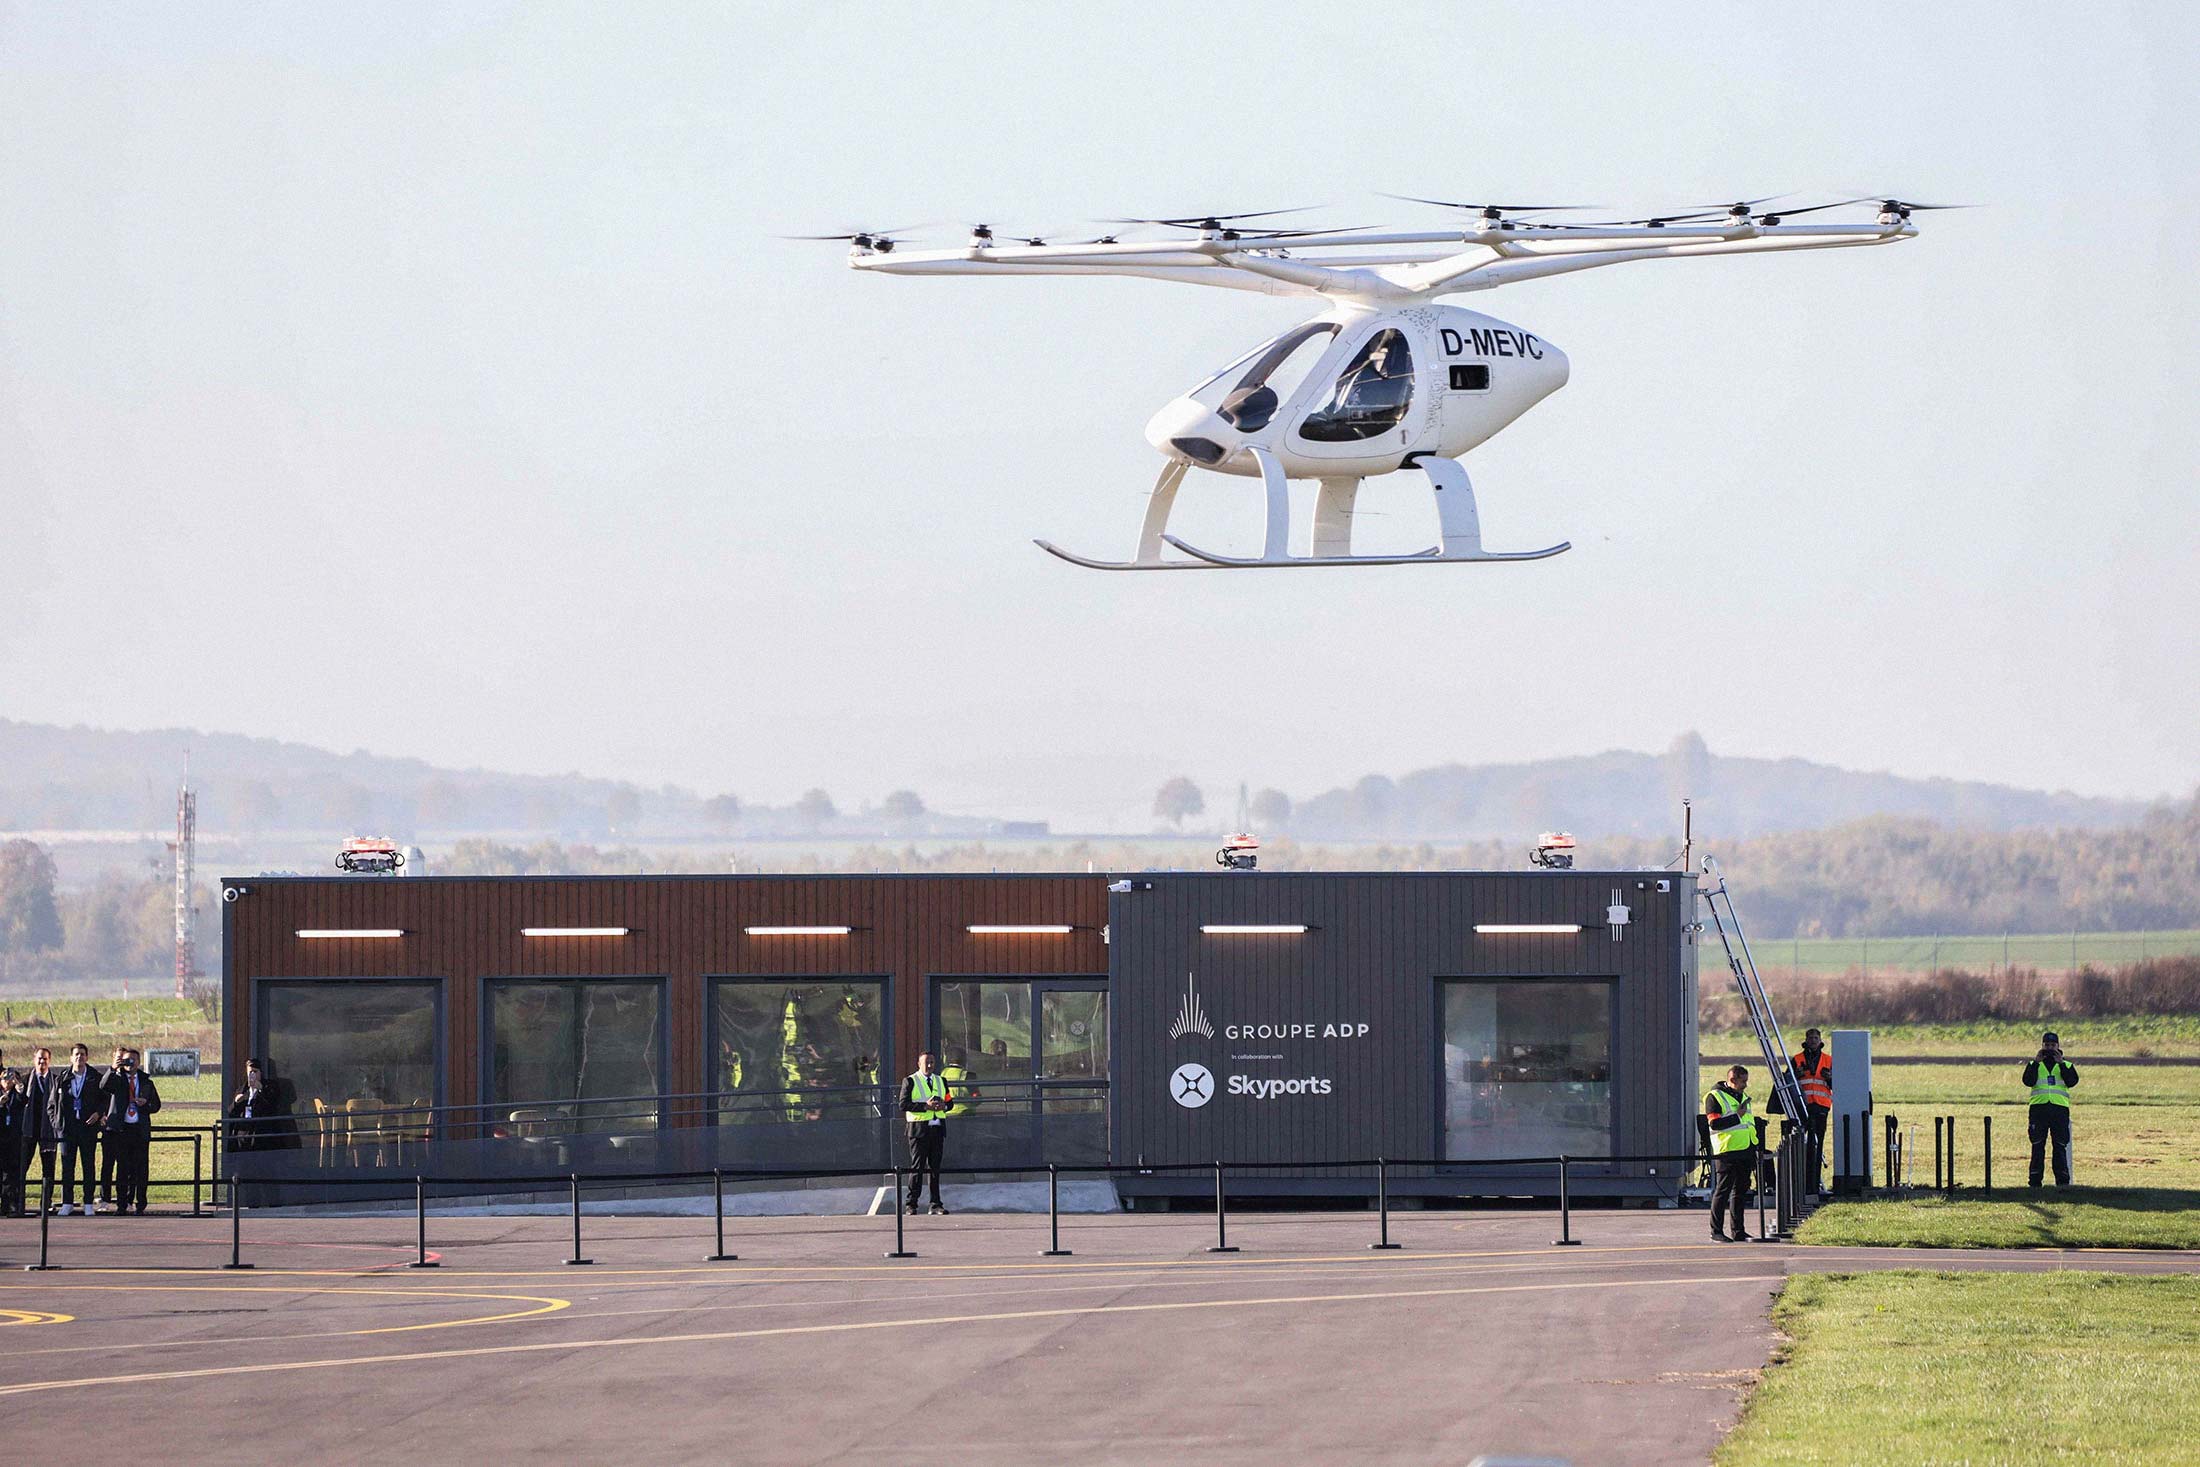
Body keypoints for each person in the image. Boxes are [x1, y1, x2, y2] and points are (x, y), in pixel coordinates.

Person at [102, 1047, 161, 1214]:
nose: (130, 1063)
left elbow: (156, 1105)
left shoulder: (146, 1081)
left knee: (141, 1169)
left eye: (133, 1060)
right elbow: (103, 1086)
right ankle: (122, 1204)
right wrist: (113, 1068)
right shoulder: (118, 1078)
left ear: (139, 1062)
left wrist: (146, 1104)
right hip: (122, 1129)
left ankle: (140, 1203)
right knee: (122, 1169)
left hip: (139, 1129)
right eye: (126, 1060)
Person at [51, 1042, 107, 1214]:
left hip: (87, 1128)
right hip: (68, 1129)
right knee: (67, 1166)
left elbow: (105, 1099)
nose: (79, 1057)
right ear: (71, 1057)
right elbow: (52, 1104)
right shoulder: (63, 1078)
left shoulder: (95, 1077)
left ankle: (88, 1203)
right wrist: (58, 1123)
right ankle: (67, 1202)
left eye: (82, 1054)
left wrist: (98, 1114)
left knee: (88, 1165)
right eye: (76, 1054)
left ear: (87, 1057)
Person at [1704, 1064, 1756, 1242]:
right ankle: (1716, 1230)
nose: (1746, 1085)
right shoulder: (1715, 1097)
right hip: (1727, 1150)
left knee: (1740, 1191)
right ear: (1732, 1079)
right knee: (1723, 1190)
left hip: (1745, 1148)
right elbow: (1714, 1124)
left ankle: (1738, 1230)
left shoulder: (1743, 1096)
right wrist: (1737, 1116)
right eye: (1743, 1081)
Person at [898, 1051, 953, 1215]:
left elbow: (950, 1103)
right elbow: (903, 1104)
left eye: (932, 1063)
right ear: (919, 1064)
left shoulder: (941, 1081)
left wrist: (944, 1106)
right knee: (917, 1167)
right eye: (926, 1062)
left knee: (935, 1167)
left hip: (937, 1129)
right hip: (918, 1130)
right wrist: (925, 1106)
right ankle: (911, 1203)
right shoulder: (910, 1081)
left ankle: (935, 1203)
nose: (929, 1066)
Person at [2024, 1030, 2080, 1189]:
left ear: (2058, 1046)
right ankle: (2034, 1182)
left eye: (2052, 1045)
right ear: (2042, 1045)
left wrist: (2061, 1063)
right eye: (2046, 1045)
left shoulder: (2067, 1065)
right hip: (2038, 1110)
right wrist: (2036, 1062)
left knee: (2060, 1146)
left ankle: (2062, 1182)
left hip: (2059, 1110)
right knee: (2037, 1145)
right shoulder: (2034, 1064)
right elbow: (2028, 1081)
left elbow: (2071, 1081)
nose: (2049, 1048)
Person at [1789, 1029, 1833, 1194]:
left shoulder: (1829, 1060)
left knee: (1817, 1145)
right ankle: (1804, 1184)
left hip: (1821, 1106)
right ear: (1806, 1040)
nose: (1813, 1040)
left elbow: (1838, 1085)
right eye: (1810, 1038)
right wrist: (1796, 1074)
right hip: (1803, 1106)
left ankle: (1814, 1185)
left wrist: (1829, 1078)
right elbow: (1787, 1081)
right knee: (1802, 1146)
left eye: (1816, 1038)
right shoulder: (1797, 1059)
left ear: (1820, 1040)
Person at [20, 1048, 59, 1211]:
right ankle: (19, 1202)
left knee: (48, 1169)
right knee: (22, 1167)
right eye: (39, 1059)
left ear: (49, 1061)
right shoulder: (24, 1080)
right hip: (27, 1131)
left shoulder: (56, 1081)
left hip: (48, 1131)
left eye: (45, 1059)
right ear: (34, 1059)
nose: (42, 1062)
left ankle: (46, 1203)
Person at [227, 1057, 291, 1153]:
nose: (252, 1075)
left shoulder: (270, 1086)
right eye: (250, 1072)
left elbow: (274, 1105)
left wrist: (261, 1089)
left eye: (255, 1072)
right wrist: (236, 1102)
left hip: (262, 1134)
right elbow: (231, 1112)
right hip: (244, 1134)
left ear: (261, 1073)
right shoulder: (243, 1089)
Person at [0, 1067, 26, 1217]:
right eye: (4, 1078)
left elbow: (24, 1100)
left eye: (10, 1078)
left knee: (12, 1173)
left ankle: (10, 1204)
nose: (7, 1081)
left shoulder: (16, 1095)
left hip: (13, 1138)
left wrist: (18, 1085)